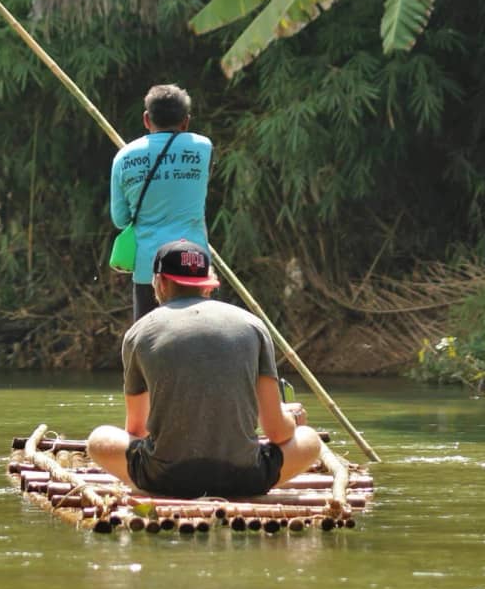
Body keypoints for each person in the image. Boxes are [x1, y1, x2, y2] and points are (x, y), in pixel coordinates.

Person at [87, 239, 323, 499]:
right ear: (207, 284)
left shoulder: (139, 333)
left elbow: (137, 429)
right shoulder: (253, 325)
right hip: (245, 477)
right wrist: (292, 418)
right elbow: (277, 431)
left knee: (100, 439)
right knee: (309, 440)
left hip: (165, 478)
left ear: (161, 282)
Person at [109, 84, 212, 321]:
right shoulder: (203, 148)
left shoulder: (124, 157)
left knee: (146, 348)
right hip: (195, 266)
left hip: (149, 271)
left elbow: (120, 219)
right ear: (186, 121)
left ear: (146, 119)